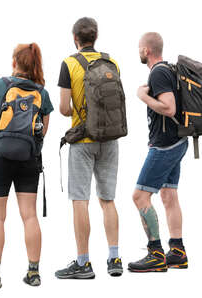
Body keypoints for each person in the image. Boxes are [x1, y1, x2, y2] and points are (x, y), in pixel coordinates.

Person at [0, 43, 54, 288]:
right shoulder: (42, 93)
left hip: (0, 158)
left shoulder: (0, 84)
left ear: (14, 63)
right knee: (29, 216)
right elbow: (43, 132)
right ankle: (34, 273)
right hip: (28, 159)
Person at [55, 17, 123, 279]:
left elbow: (63, 109)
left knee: (80, 200)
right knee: (107, 200)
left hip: (82, 141)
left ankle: (83, 263)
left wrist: (81, 115)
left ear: (75, 38)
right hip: (110, 138)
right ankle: (114, 257)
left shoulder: (69, 63)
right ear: (96, 37)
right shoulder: (112, 62)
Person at [128, 32, 189, 272]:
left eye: (139, 48)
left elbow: (169, 107)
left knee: (139, 197)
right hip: (178, 141)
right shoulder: (170, 71)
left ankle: (155, 253)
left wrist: (143, 96)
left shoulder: (159, 72)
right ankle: (177, 251)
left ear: (146, 50)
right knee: (168, 195)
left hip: (164, 145)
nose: (139, 51)